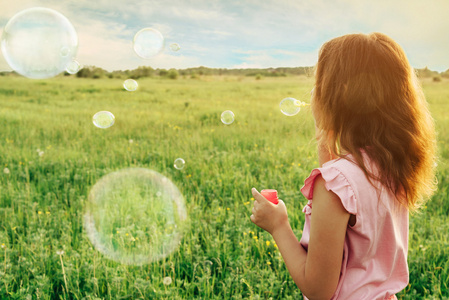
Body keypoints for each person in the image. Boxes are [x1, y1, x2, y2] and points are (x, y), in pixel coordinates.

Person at [250, 32, 437, 300]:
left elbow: (317, 290)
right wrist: (328, 132)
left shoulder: (334, 184)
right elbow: (346, 182)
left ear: (341, 94)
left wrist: (278, 225)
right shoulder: (392, 164)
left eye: (321, 84)